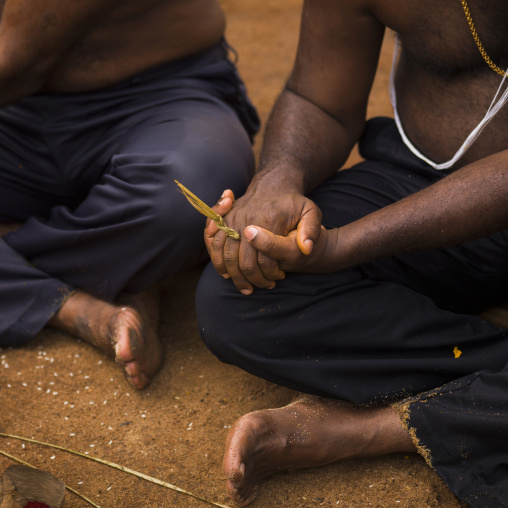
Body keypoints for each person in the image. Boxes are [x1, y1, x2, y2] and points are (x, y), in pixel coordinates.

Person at [195, 0, 508, 506]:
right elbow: (317, 99)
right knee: (244, 296)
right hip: (414, 179)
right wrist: (277, 179)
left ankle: (369, 428)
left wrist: (346, 244)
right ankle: (485, 389)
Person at [0, 0, 259, 389]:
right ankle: (83, 301)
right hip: (15, 121)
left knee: (183, 199)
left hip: (159, 96)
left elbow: (18, 63)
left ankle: (30, 262)